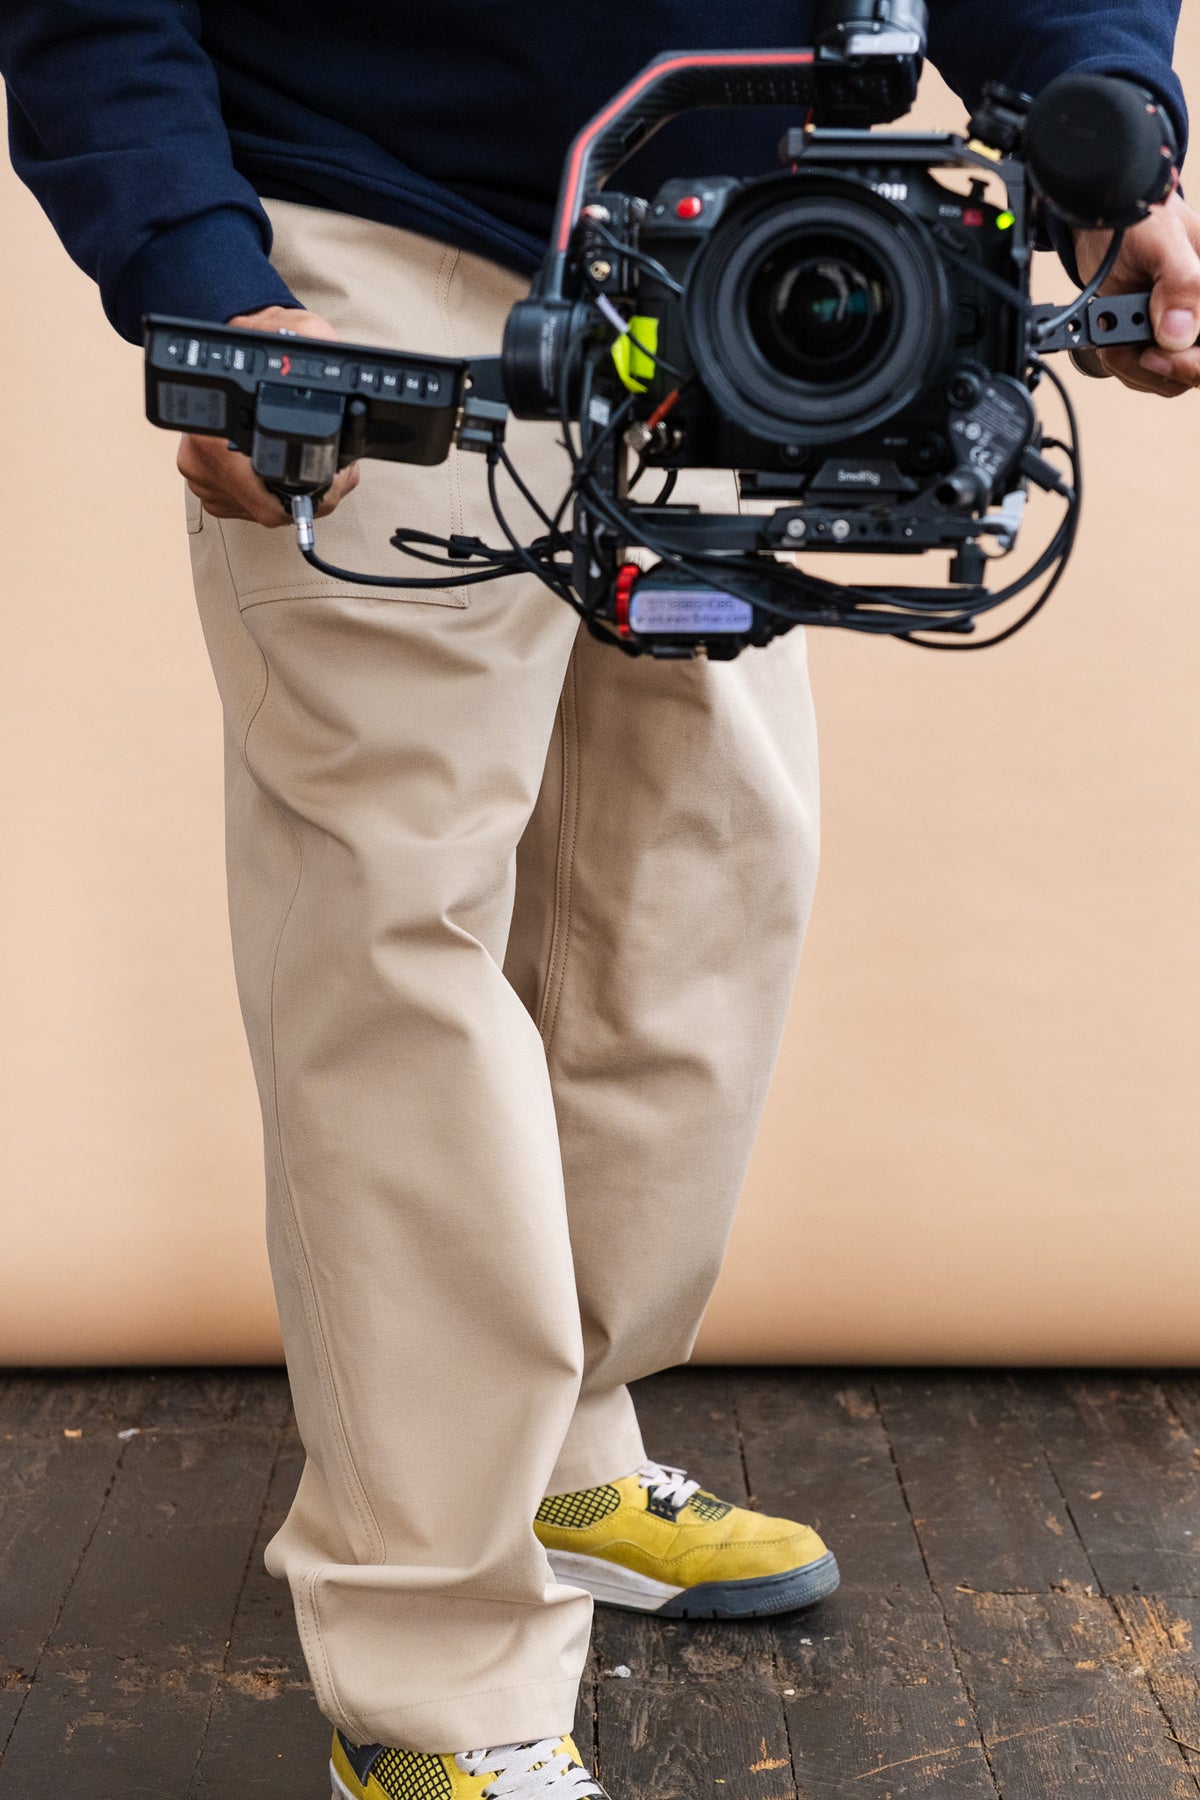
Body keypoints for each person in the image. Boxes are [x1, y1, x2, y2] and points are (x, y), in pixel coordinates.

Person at [1, 6, 1195, 1799]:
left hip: (740, 247)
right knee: (395, 929)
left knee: (690, 885)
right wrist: (199, 272)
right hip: (364, 243)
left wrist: (1120, 155)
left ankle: (559, 1443)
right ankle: (431, 1669)